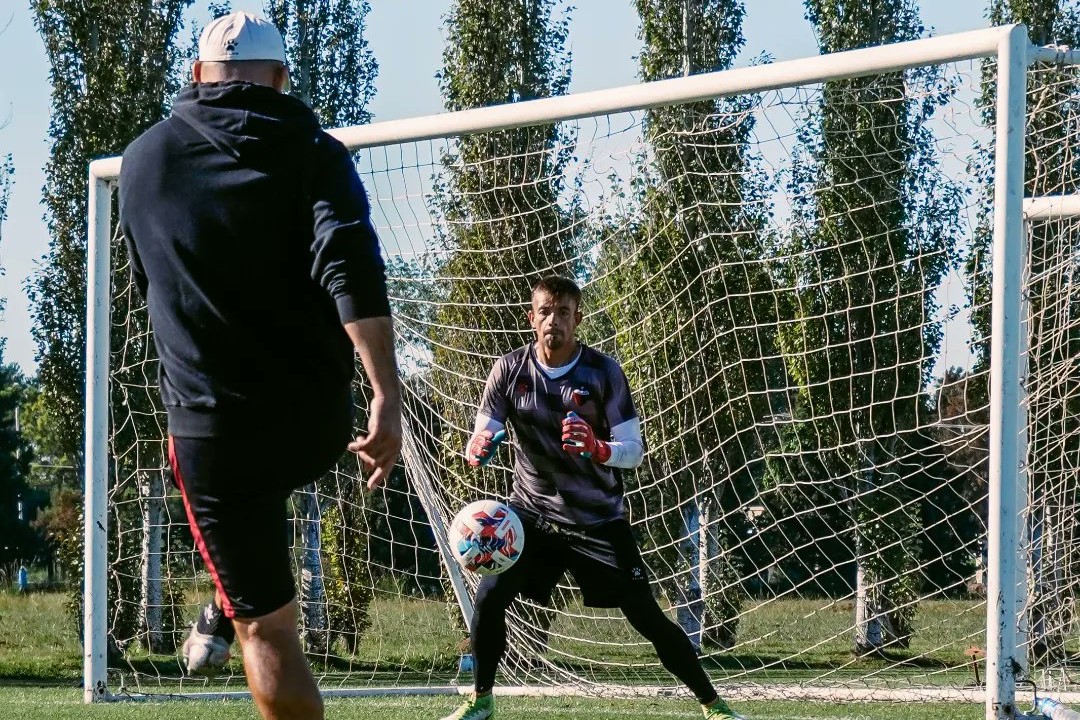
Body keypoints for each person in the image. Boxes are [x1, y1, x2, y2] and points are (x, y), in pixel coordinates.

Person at [118, 11, 401, 720]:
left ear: (196, 76)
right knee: (267, 511)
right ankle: (227, 591)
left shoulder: (143, 160)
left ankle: (229, 600)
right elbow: (351, 268)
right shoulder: (315, 151)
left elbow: (152, 286)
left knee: (268, 627)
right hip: (312, 422)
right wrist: (384, 393)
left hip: (211, 434)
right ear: (280, 78)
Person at [443, 276, 744, 720]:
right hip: (531, 518)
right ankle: (481, 701)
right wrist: (479, 446)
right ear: (532, 318)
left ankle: (713, 705)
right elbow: (484, 428)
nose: (553, 321)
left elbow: (634, 452)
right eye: (545, 311)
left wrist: (599, 448)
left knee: (647, 617)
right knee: (490, 596)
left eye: (563, 312)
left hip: (598, 521)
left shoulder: (604, 372)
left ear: (577, 319)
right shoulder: (509, 370)